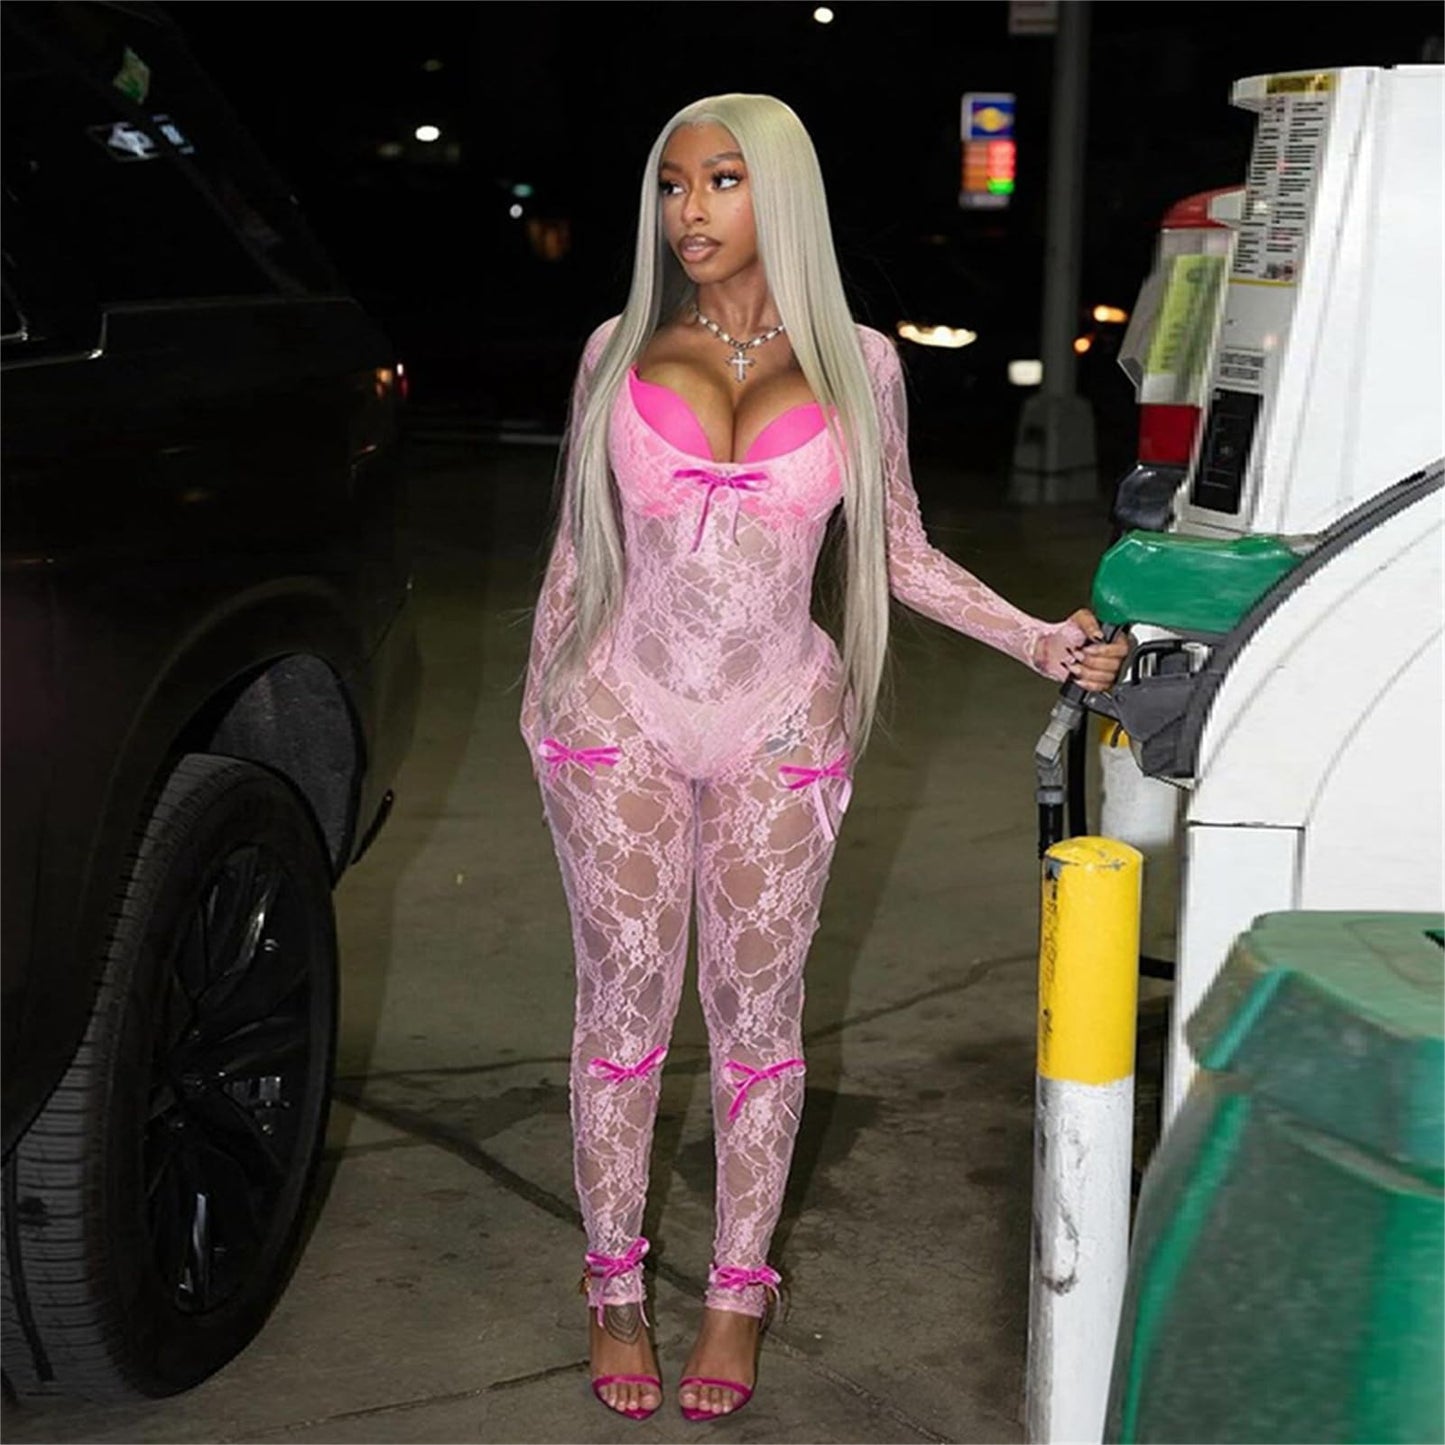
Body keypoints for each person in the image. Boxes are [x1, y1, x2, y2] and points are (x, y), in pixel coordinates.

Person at [520, 92, 1128, 1424]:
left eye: (721, 181)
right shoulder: (615, 349)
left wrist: (1038, 640)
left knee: (757, 1026)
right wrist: (543, 711)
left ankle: (737, 1294)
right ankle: (612, 1286)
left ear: (780, 194)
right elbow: (574, 549)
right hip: (619, 712)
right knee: (621, 1017)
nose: (688, 211)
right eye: (671, 184)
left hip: (780, 723)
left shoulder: (862, 363)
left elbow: (898, 552)